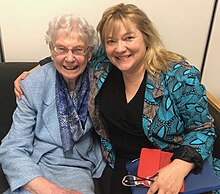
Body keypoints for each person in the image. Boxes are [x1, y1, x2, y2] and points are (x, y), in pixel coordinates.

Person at [13, 3, 219, 194]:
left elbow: (204, 128)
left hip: (172, 164)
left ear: (146, 37)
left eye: (129, 38)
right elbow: (72, 51)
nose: (120, 48)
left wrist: (179, 166)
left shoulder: (178, 75)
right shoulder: (104, 63)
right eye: (111, 41)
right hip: (123, 166)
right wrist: (35, 70)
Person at [0, 14, 106, 194]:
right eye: (61, 49)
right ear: (51, 50)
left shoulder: (100, 79)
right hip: (37, 166)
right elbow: (12, 147)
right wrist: (49, 189)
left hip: (78, 167)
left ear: (89, 52)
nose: (70, 58)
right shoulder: (34, 84)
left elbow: (119, 48)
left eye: (78, 50)